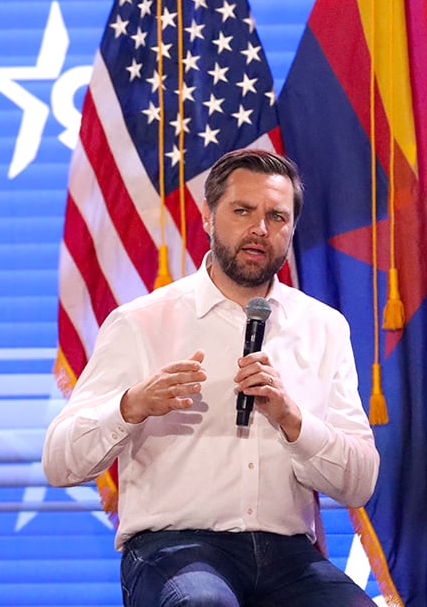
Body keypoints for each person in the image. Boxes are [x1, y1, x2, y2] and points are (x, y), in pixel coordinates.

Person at [42, 149, 380, 607]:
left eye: (276, 216)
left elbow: (359, 482)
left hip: (289, 555)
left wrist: (293, 419)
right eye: (242, 211)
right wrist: (131, 406)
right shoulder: (141, 322)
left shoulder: (324, 327)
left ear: (292, 228)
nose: (260, 229)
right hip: (173, 547)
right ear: (207, 216)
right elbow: (60, 463)